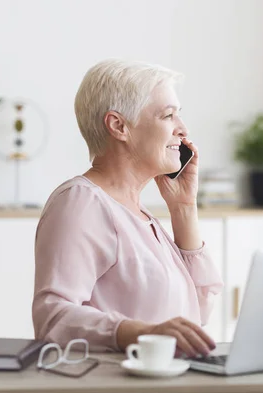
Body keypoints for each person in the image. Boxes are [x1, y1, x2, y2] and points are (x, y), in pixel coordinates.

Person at [32, 59, 223, 358]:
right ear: (119, 126)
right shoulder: (81, 203)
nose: (183, 129)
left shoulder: (142, 216)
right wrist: (141, 334)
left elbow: (199, 311)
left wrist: (184, 208)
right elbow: (52, 318)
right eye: (168, 115)